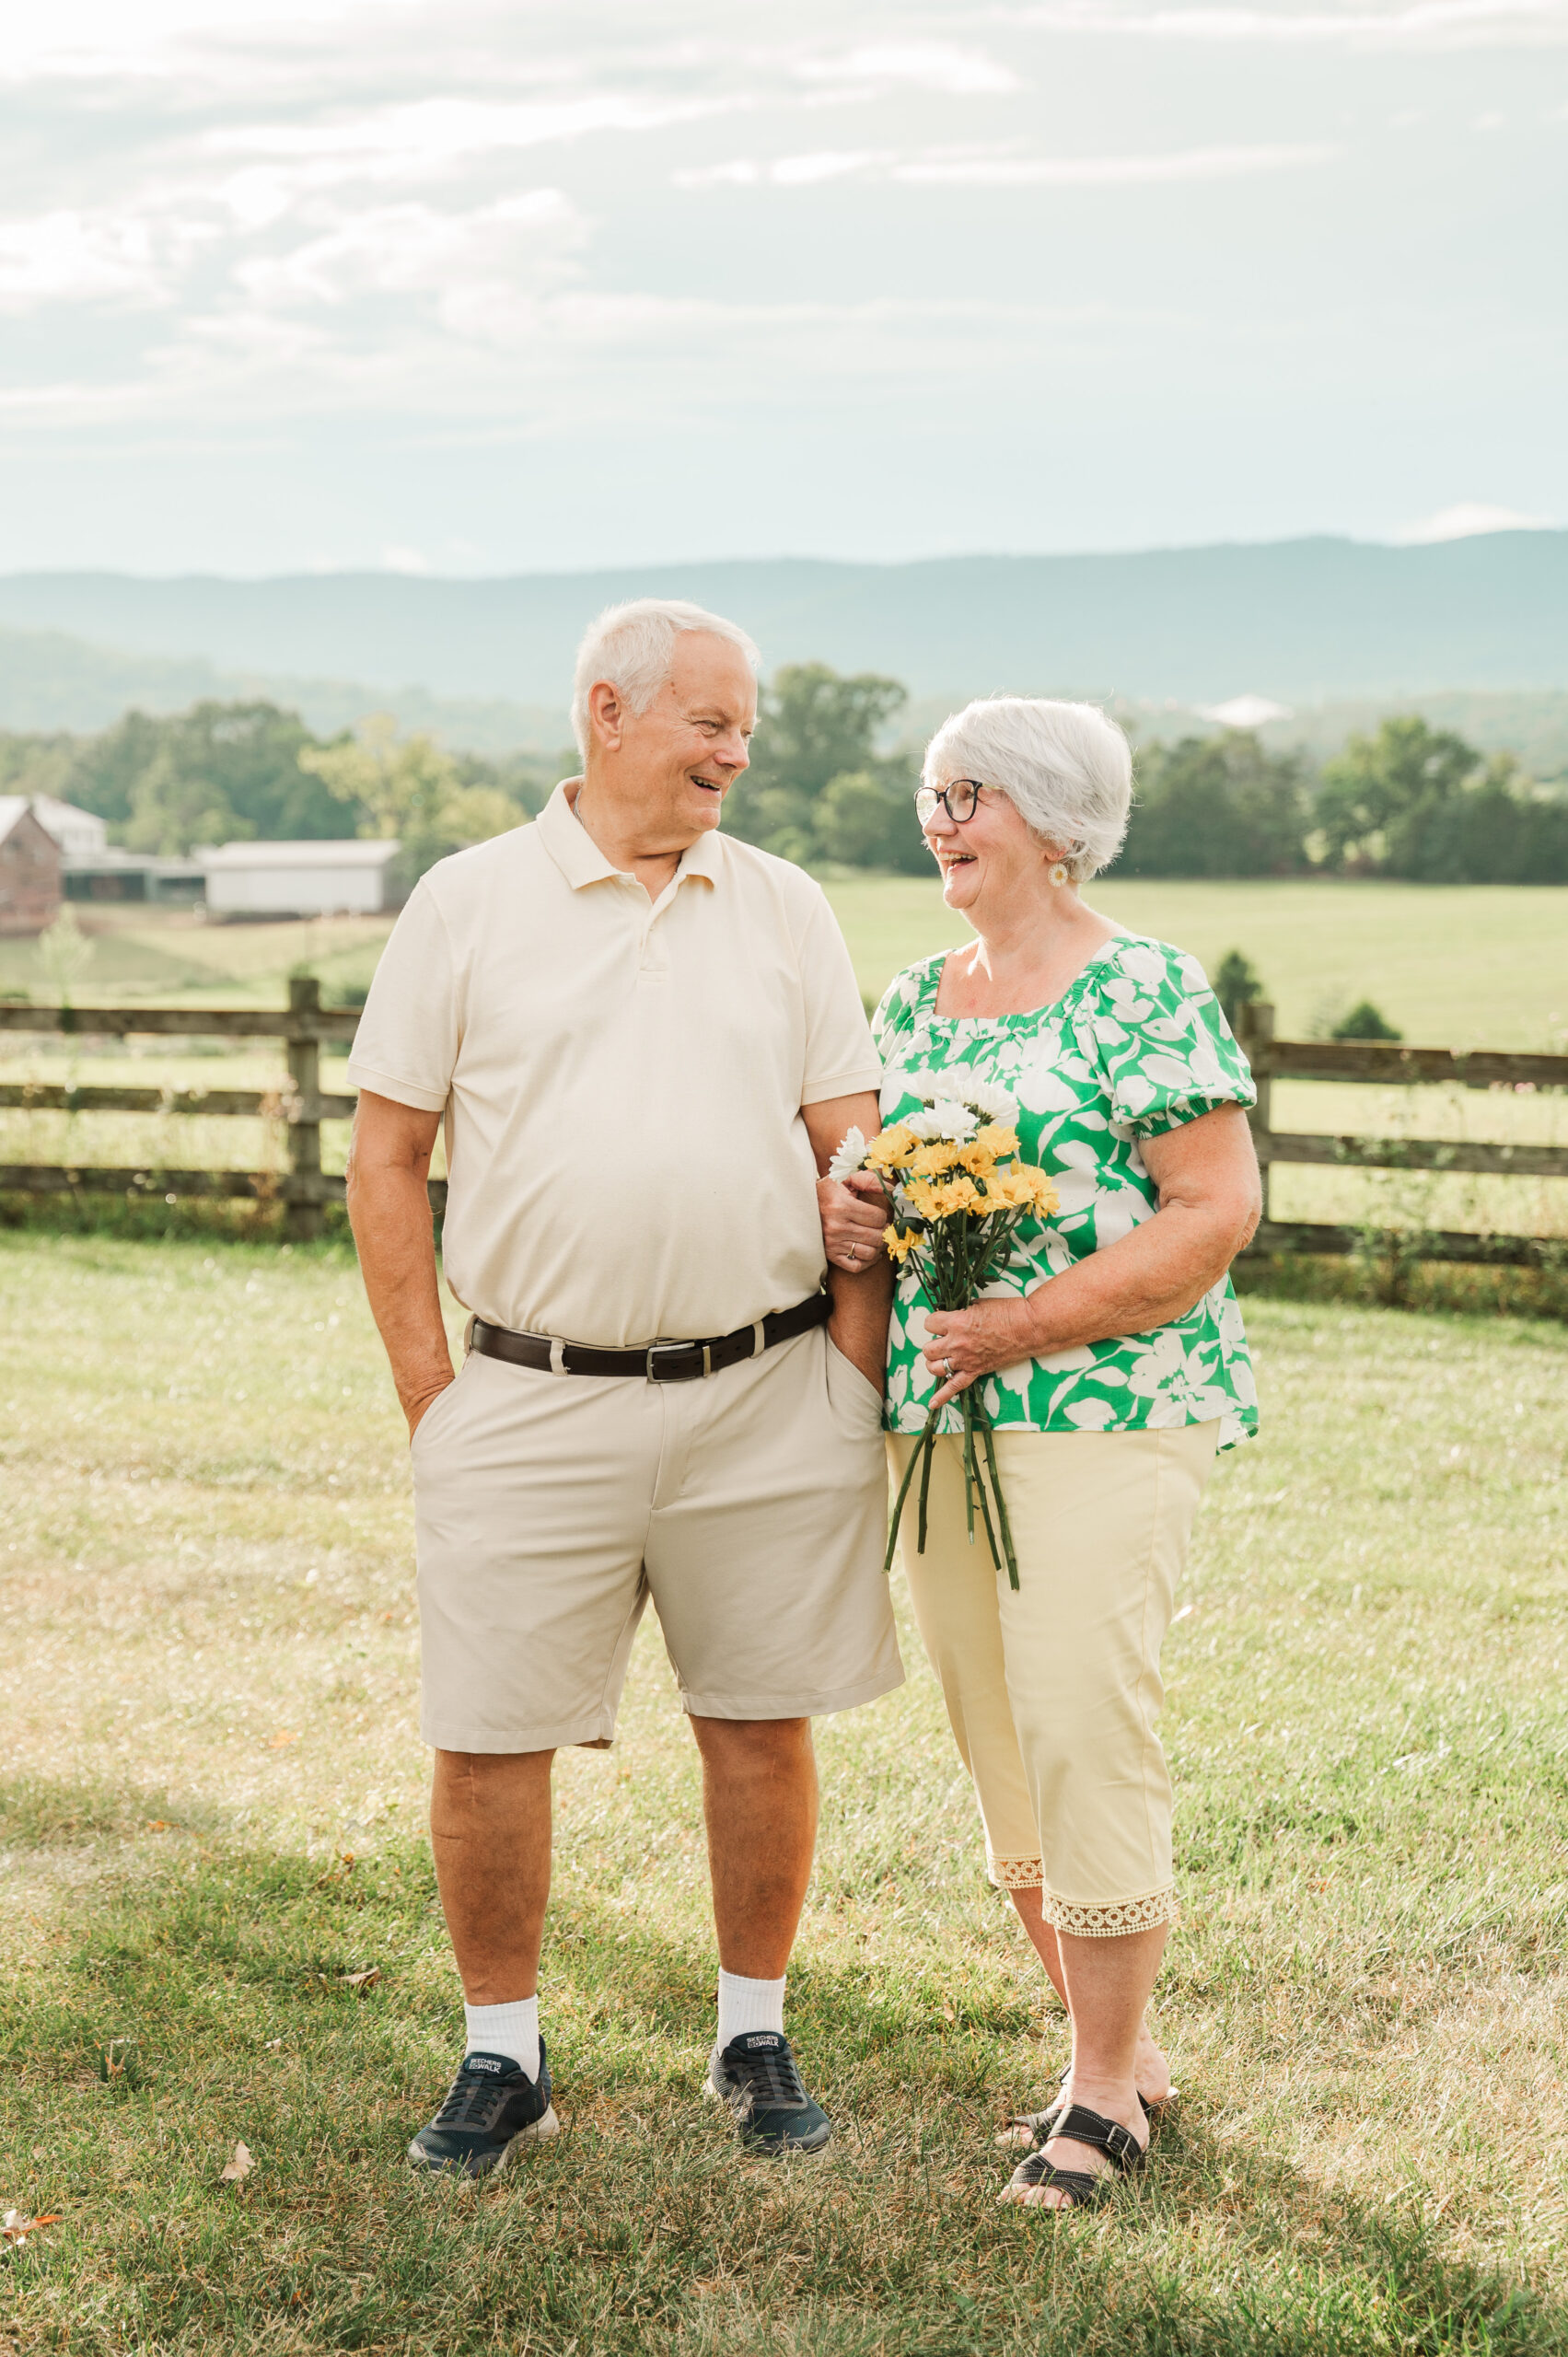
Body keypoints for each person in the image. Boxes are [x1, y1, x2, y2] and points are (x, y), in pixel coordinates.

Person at [345, 598, 901, 2177]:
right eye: (709, 723)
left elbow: (850, 1148)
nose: (735, 754)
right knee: (489, 1733)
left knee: (757, 1720)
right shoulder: (464, 904)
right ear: (607, 713)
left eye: (745, 730)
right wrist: (430, 1395)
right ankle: (501, 2055)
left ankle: (752, 2029)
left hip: (767, 1392)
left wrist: (848, 1373)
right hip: (527, 1396)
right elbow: (386, 1157)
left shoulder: (785, 907)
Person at [819, 695, 1262, 2212]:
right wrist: (852, 1214)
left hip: (1114, 1408)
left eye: (975, 794)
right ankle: (1109, 2052)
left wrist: (1029, 1325)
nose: (942, 818)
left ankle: (1099, 2097)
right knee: (997, 1736)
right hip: (943, 1426)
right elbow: (872, 1188)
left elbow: (1211, 1211)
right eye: (936, 793)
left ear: (1059, 825)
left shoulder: (1143, 985)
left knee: (1084, 1719)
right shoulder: (914, 998)